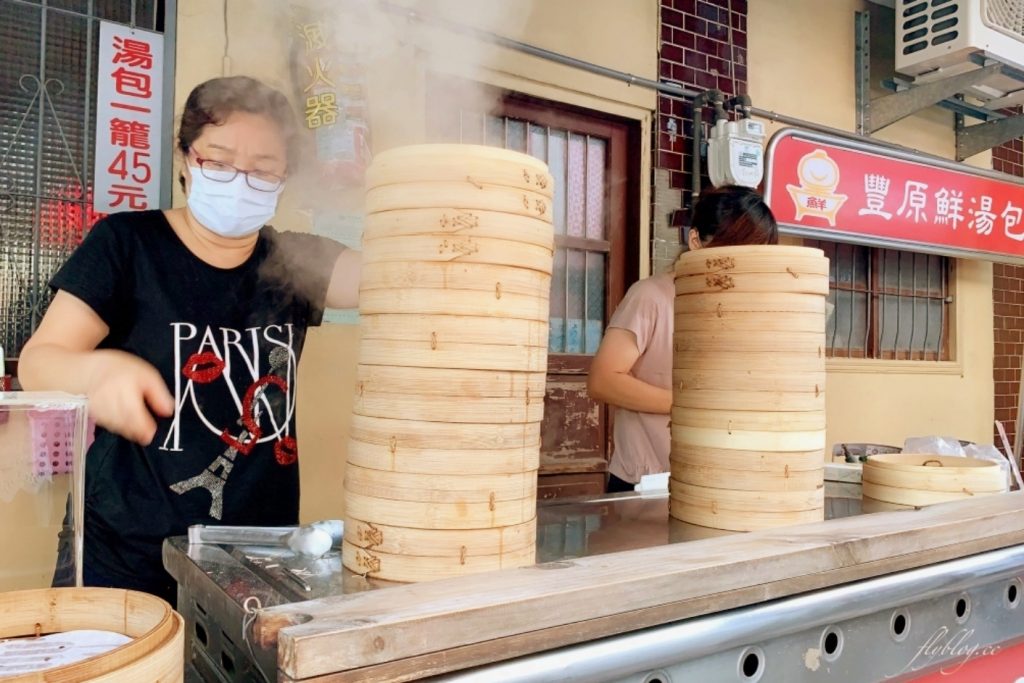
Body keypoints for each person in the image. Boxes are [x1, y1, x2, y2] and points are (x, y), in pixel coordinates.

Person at [18, 76, 360, 603]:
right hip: (123, 551)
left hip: (255, 557)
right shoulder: (127, 244)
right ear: (184, 158)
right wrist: (96, 372)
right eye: (218, 161)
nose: (240, 180)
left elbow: (394, 276)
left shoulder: (294, 262)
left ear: (284, 179)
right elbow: (39, 363)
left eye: (263, 169)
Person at [587, 185, 778, 493]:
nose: (742, 266)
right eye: (732, 252)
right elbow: (603, 380)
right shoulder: (651, 297)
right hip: (647, 483)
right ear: (695, 242)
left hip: (718, 482)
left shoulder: (741, 309)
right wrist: (692, 405)